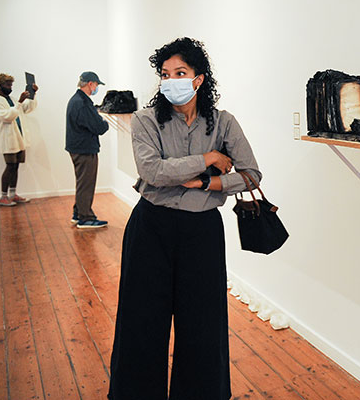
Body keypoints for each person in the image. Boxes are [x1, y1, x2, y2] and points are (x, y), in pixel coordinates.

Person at [108, 37, 261, 400]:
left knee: (203, 325)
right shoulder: (146, 120)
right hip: (151, 228)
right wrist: (208, 158)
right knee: (141, 321)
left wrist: (208, 182)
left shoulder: (223, 123)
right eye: (164, 73)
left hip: (201, 232)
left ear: (198, 79)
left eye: (180, 72)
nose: (170, 80)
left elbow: (252, 175)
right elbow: (153, 171)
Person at [65, 71, 110, 229]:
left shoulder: (76, 100)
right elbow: (99, 127)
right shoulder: (82, 103)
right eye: (96, 85)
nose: (96, 88)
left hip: (78, 148)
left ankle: (78, 213)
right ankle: (85, 217)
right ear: (90, 83)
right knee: (86, 184)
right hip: (84, 149)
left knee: (82, 182)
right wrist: (104, 122)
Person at [0, 73, 38, 206]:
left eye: (11, 84)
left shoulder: (10, 99)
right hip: (8, 139)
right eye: (7, 85)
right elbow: (7, 116)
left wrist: (33, 95)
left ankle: (13, 194)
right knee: (10, 166)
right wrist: (19, 102)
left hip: (19, 139)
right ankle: (3, 196)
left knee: (15, 166)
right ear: (0, 85)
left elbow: (26, 109)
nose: (10, 87)